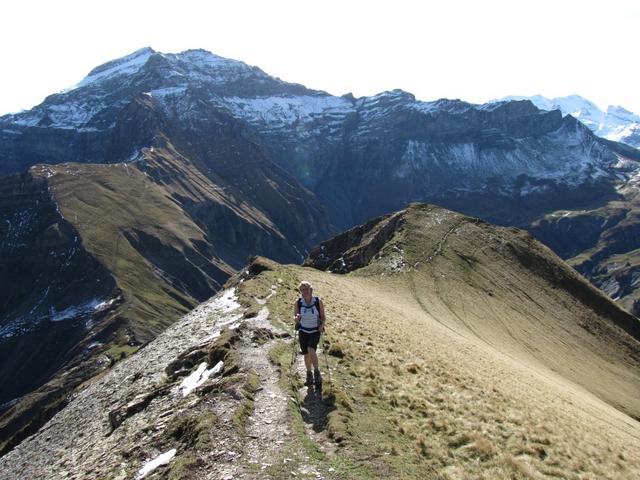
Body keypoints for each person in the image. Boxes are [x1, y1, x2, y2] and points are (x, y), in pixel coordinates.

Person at [294, 281, 326, 388]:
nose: (305, 291)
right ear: (301, 291)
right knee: (306, 354)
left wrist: (322, 325)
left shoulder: (318, 301)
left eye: (307, 289)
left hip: (315, 331)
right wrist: (297, 319)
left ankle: (317, 372)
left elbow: (322, 316)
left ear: (311, 290)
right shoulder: (298, 302)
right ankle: (309, 374)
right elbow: (296, 317)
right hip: (303, 331)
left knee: (311, 350)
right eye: (303, 289)